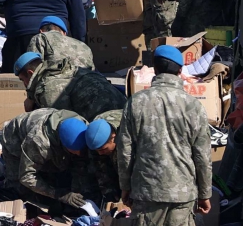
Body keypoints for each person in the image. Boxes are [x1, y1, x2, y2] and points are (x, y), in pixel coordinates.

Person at [117, 45, 212, 224]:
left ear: (155, 68)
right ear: (180, 70)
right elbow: (203, 156)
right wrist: (205, 193)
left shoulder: (136, 102)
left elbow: (125, 151)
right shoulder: (194, 106)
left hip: (146, 191)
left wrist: (125, 186)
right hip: (183, 194)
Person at [2, 110, 89, 210]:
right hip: (15, 139)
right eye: (74, 150)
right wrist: (60, 194)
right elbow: (26, 176)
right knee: (19, 190)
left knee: (58, 174)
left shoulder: (83, 128)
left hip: (45, 132)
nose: (79, 153)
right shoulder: (40, 142)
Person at [17, 54, 126, 120]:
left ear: (31, 73)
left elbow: (61, 125)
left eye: (23, 80)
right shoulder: (60, 70)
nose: (25, 85)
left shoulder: (49, 88)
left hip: (107, 121)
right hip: (123, 111)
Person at [26, 16, 94, 69]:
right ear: (64, 33)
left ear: (41, 31)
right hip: (88, 84)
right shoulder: (83, 46)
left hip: (57, 85)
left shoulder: (40, 38)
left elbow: (33, 68)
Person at [85, 110, 123, 203]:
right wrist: (109, 195)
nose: (100, 153)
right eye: (97, 150)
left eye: (103, 149)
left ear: (113, 137)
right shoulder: (94, 132)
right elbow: (101, 170)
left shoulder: (127, 136)